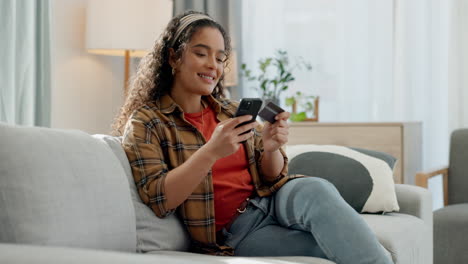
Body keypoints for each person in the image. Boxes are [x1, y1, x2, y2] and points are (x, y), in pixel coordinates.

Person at [113, 10, 392, 264]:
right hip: (238, 232)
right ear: (174, 57)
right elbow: (160, 199)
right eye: (201, 53)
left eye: (220, 58)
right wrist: (211, 151)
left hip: (273, 199)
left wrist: (271, 148)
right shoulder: (147, 123)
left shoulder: (230, 111)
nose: (213, 65)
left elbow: (272, 177)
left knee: (317, 189)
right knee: (336, 251)